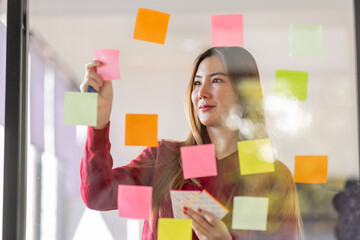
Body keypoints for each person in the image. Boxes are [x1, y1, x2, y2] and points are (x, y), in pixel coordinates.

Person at [80, 47, 303, 240]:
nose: (202, 93)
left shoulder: (272, 176)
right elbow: (97, 194)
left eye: (216, 80)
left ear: (243, 91)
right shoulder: (164, 158)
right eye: (197, 83)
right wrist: (97, 122)